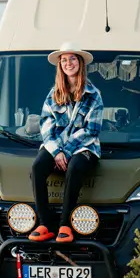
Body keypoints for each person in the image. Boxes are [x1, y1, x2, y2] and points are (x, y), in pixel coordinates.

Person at [29, 42, 104, 244]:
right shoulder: (54, 94)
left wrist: (67, 152)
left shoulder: (93, 95)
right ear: (60, 65)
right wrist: (56, 152)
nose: (68, 63)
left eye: (72, 59)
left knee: (75, 167)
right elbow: (46, 125)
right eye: (64, 60)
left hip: (84, 146)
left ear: (80, 62)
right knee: (37, 167)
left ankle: (65, 225)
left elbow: (92, 130)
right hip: (56, 146)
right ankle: (45, 224)